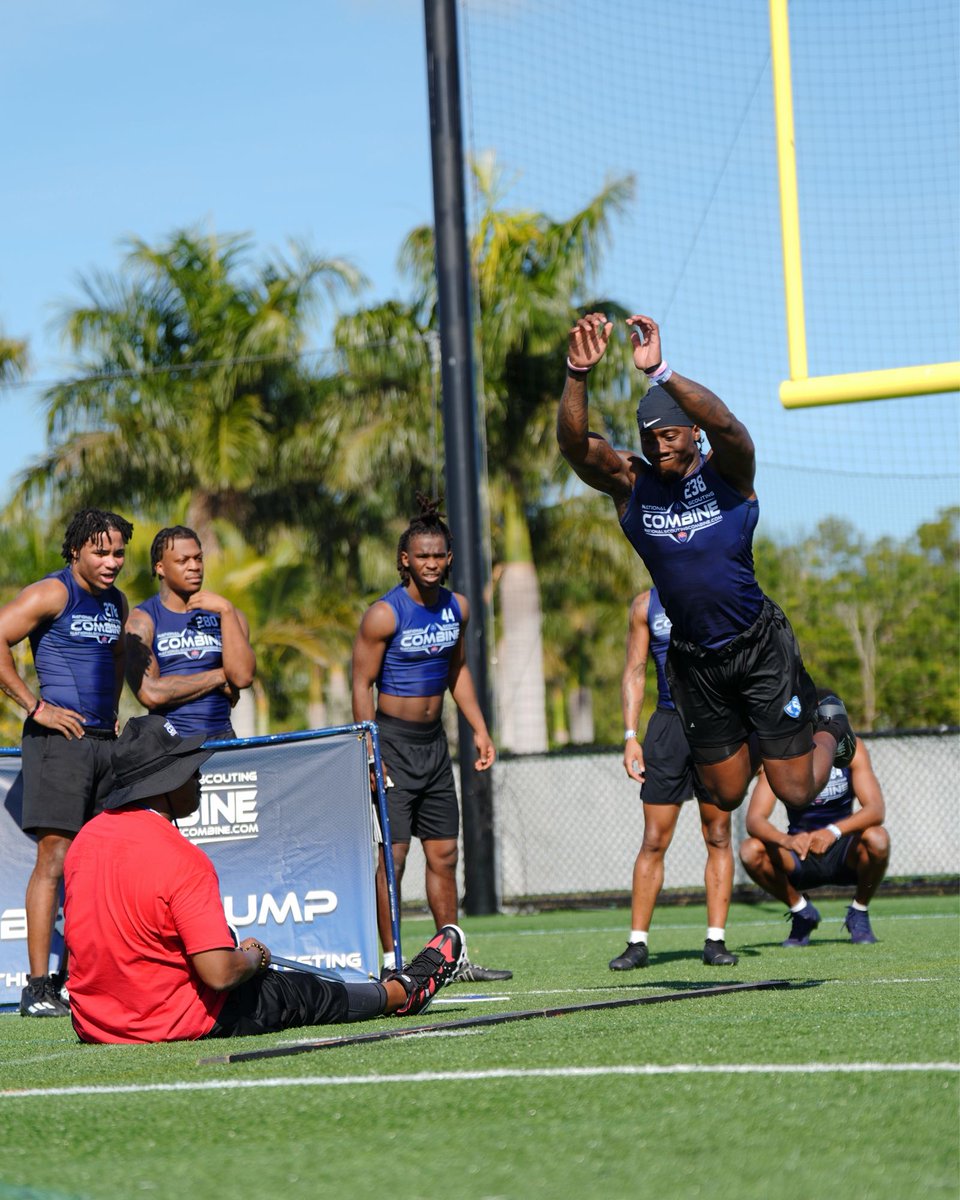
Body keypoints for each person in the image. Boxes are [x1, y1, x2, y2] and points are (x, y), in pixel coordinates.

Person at [557, 312, 855, 817]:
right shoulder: (635, 484)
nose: (658, 446)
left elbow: (729, 425)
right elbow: (575, 448)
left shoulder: (729, 472)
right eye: (649, 439)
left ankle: (829, 723)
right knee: (726, 793)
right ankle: (770, 730)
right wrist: (576, 374)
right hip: (694, 660)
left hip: (758, 644)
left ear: (693, 431)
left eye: (669, 435)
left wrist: (661, 373)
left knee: (797, 792)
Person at [62, 714, 466, 1043]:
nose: (199, 776)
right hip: (175, 1022)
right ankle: (402, 993)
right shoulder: (181, 857)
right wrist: (255, 957)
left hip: (97, 1026)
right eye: (188, 770)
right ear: (162, 783)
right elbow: (219, 974)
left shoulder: (83, 842)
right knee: (300, 992)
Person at [352, 494, 511, 984]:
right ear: (405, 560)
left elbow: (457, 671)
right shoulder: (384, 614)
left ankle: (452, 957)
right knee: (393, 857)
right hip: (392, 744)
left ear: (449, 559)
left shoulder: (457, 608)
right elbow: (361, 683)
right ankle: (391, 963)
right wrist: (370, 748)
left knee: (444, 854)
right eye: (422, 556)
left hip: (435, 746)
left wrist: (480, 729)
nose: (432, 564)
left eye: (439, 555)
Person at [0, 508, 133, 1018]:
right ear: (75, 550)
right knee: (54, 860)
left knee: (96, 863)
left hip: (102, 741)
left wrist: (114, 713)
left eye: (118, 552)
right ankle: (37, 989)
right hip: (57, 743)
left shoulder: (116, 601)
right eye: (101, 551)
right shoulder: (52, 593)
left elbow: (118, 657)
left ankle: (84, 977)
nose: (112, 561)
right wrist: (36, 706)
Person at [611, 587, 738, 970]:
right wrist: (631, 737)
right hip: (667, 727)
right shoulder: (645, 605)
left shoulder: (721, 592)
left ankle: (715, 940)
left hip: (718, 728)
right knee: (653, 839)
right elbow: (635, 670)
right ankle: (637, 943)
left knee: (718, 834)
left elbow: (744, 667)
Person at [739, 716, 890, 946]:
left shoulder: (850, 747)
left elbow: (875, 809)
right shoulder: (782, 753)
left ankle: (859, 911)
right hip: (800, 850)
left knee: (878, 838)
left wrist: (833, 831)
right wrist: (786, 841)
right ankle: (801, 911)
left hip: (843, 849)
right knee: (750, 851)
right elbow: (754, 820)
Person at [125, 526, 255, 738]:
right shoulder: (142, 620)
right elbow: (151, 694)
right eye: (183, 561)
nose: (194, 567)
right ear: (160, 568)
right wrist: (221, 675)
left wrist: (227, 610)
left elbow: (241, 678)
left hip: (222, 743)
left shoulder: (227, 615)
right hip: (171, 749)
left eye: (198, 558)